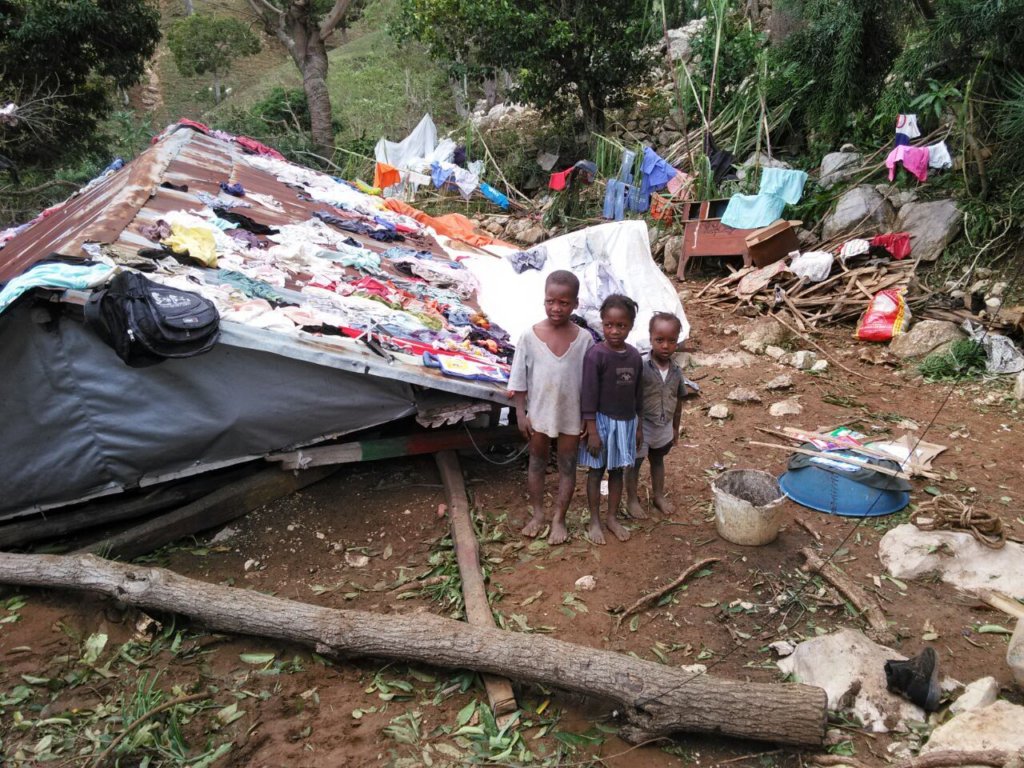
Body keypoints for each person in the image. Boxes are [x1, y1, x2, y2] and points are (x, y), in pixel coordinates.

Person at [508, 270, 594, 545]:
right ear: (543, 300)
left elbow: (589, 384)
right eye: (550, 301)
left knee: (567, 465)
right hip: (539, 415)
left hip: (571, 415)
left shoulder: (584, 340)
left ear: (575, 304)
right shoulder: (530, 336)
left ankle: (559, 518)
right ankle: (538, 514)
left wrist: (586, 417)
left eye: (564, 303)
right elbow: (518, 380)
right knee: (536, 462)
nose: (556, 308)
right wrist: (521, 414)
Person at [579, 294, 643, 544]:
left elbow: (638, 396)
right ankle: (595, 519)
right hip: (602, 423)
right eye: (608, 325)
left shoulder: (635, 357)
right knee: (596, 472)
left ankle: (612, 517)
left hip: (626, 423)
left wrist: (638, 427)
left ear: (630, 325)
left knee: (617, 472)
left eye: (621, 325)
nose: (614, 331)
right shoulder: (596, 355)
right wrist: (592, 429)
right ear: (602, 323)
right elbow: (588, 395)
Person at [626, 312, 686, 518]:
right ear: (650, 338)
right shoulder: (641, 366)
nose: (665, 346)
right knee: (635, 463)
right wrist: (636, 427)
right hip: (642, 426)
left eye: (671, 341)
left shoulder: (676, 371)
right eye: (659, 340)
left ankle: (658, 495)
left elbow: (679, 400)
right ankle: (632, 499)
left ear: (677, 341)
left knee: (658, 460)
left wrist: (675, 427)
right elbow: (632, 400)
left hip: (664, 425)